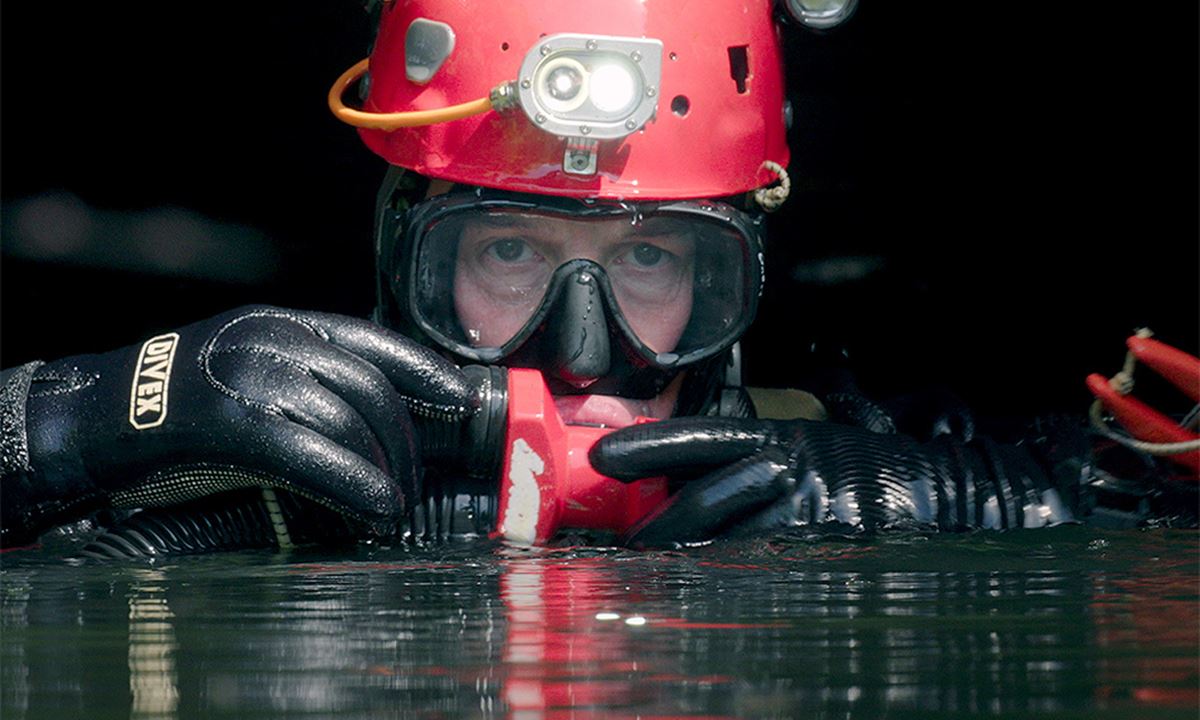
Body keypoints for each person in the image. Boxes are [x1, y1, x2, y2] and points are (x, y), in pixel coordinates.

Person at [1, 0, 1193, 554]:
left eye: (654, 259)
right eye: (510, 252)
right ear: (401, 260)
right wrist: (64, 423)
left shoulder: (870, 460)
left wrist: (918, 504)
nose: (583, 350)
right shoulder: (221, 476)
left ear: (740, 284)